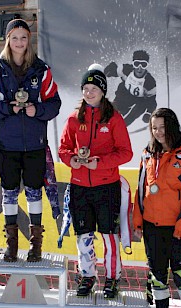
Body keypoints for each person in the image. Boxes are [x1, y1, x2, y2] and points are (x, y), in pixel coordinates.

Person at [0, 18, 61, 263]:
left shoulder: (41, 70)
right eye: (15, 37)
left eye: (24, 37)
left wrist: (38, 110)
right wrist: (6, 109)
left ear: (29, 40)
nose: (19, 42)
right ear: (8, 40)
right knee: (10, 193)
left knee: (35, 192)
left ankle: (36, 244)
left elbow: (54, 104)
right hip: (7, 145)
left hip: (34, 144)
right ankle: (11, 244)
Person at [58, 64, 133, 298]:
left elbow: (125, 152)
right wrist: (73, 161)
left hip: (106, 187)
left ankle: (112, 278)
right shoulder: (73, 118)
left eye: (94, 88)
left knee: (109, 235)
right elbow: (63, 149)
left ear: (103, 91)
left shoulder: (114, 119)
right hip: (80, 186)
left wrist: (98, 163)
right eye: (85, 88)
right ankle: (87, 275)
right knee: (84, 236)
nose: (89, 92)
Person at [133, 108, 181, 308]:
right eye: (154, 128)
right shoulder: (147, 154)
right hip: (152, 227)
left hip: (178, 230)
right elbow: (140, 190)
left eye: (162, 127)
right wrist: (137, 221)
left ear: (171, 126)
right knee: (157, 276)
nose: (158, 132)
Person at [104, 50, 157, 126]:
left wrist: (149, 113)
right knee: (111, 112)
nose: (139, 68)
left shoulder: (149, 82)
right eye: (136, 64)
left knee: (135, 111)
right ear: (133, 64)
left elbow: (152, 101)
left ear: (147, 65)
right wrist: (109, 70)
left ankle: (120, 127)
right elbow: (115, 70)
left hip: (139, 103)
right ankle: (102, 126)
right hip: (124, 96)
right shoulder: (126, 70)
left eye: (143, 65)